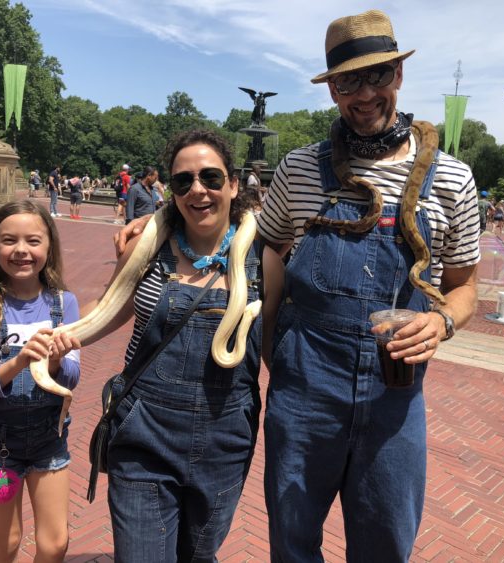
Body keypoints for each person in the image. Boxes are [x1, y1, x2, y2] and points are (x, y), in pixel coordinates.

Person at [115, 11, 480, 560]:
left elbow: (465, 285)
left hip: (395, 397)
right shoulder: (300, 170)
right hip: (306, 391)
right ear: (332, 89)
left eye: (377, 75)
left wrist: (442, 320)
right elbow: (265, 244)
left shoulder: (451, 179)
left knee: (385, 544)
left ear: (398, 77)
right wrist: (165, 220)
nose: (364, 94)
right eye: (347, 81)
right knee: (291, 542)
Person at [84, 129, 283, 561]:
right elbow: (111, 307)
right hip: (144, 432)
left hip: (225, 440)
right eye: (182, 181)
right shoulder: (145, 246)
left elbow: (272, 351)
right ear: (170, 191)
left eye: (211, 178)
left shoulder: (265, 258)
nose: (198, 190)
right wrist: (59, 334)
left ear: (233, 184)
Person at [0, 199, 81, 562]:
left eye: (33, 241)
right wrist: (19, 362)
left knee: (55, 543)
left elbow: (71, 379)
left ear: (49, 246)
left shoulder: (64, 302)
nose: (21, 251)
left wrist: (57, 361)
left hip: (48, 437)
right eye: (9, 240)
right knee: (8, 541)